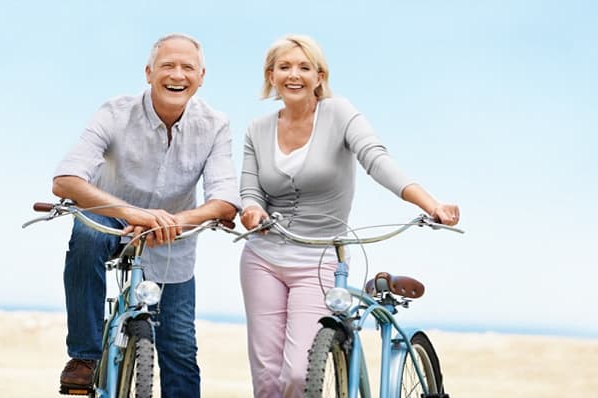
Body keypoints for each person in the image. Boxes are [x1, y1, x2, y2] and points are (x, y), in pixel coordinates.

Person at [239, 34, 460, 397]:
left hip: (320, 258)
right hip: (262, 257)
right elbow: (250, 190)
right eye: (285, 67)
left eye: (304, 67)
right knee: (266, 379)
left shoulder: (339, 114)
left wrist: (429, 203)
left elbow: (377, 160)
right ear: (271, 75)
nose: (294, 75)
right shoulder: (257, 129)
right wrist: (251, 210)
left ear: (319, 76)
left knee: (297, 373)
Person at [53, 33, 240, 398]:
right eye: (168, 65)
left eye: (188, 67)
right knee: (87, 236)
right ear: (149, 72)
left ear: (202, 76)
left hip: (173, 237)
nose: (177, 74)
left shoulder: (215, 124)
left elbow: (225, 201)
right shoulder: (114, 112)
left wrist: (174, 220)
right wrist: (133, 212)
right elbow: (66, 180)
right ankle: (85, 357)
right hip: (110, 217)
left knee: (181, 351)